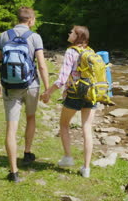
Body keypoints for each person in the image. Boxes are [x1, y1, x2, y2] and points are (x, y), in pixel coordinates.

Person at [0, 7, 49, 182]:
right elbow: (41, 65)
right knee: (30, 117)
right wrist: (47, 89)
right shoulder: (34, 37)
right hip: (31, 85)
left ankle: (13, 172)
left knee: (11, 127)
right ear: (31, 20)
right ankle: (27, 153)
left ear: (17, 19)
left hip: (10, 86)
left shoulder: (3, 36)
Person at [41, 25, 96, 178]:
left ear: (78, 36)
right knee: (87, 127)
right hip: (91, 93)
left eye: (72, 32)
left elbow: (62, 79)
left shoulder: (71, 51)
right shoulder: (91, 52)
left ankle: (68, 158)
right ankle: (86, 168)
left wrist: (47, 93)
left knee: (64, 124)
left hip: (74, 93)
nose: (69, 33)